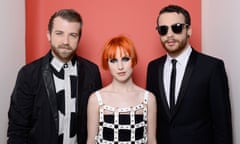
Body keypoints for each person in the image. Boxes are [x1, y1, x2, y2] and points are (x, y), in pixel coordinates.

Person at [7, 9, 102, 144]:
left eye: (72, 35)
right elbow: (17, 131)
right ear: (49, 35)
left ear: (79, 38)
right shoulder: (28, 74)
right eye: (59, 33)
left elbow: (97, 122)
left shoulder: (92, 72)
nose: (65, 41)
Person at [146, 4, 232, 144]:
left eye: (177, 27)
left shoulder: (211, 67)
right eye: (163, 29)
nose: (170, 34)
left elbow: (222, 125)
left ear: (189, 30)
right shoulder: (153, 68)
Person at [87, 35, 157, 144]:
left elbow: (152, 141)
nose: (120, 66)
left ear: (133, 60)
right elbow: (91, 141)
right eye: (113, 60)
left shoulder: (148, 99)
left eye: (125, 59)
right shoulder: (96, 99)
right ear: (107, 64)